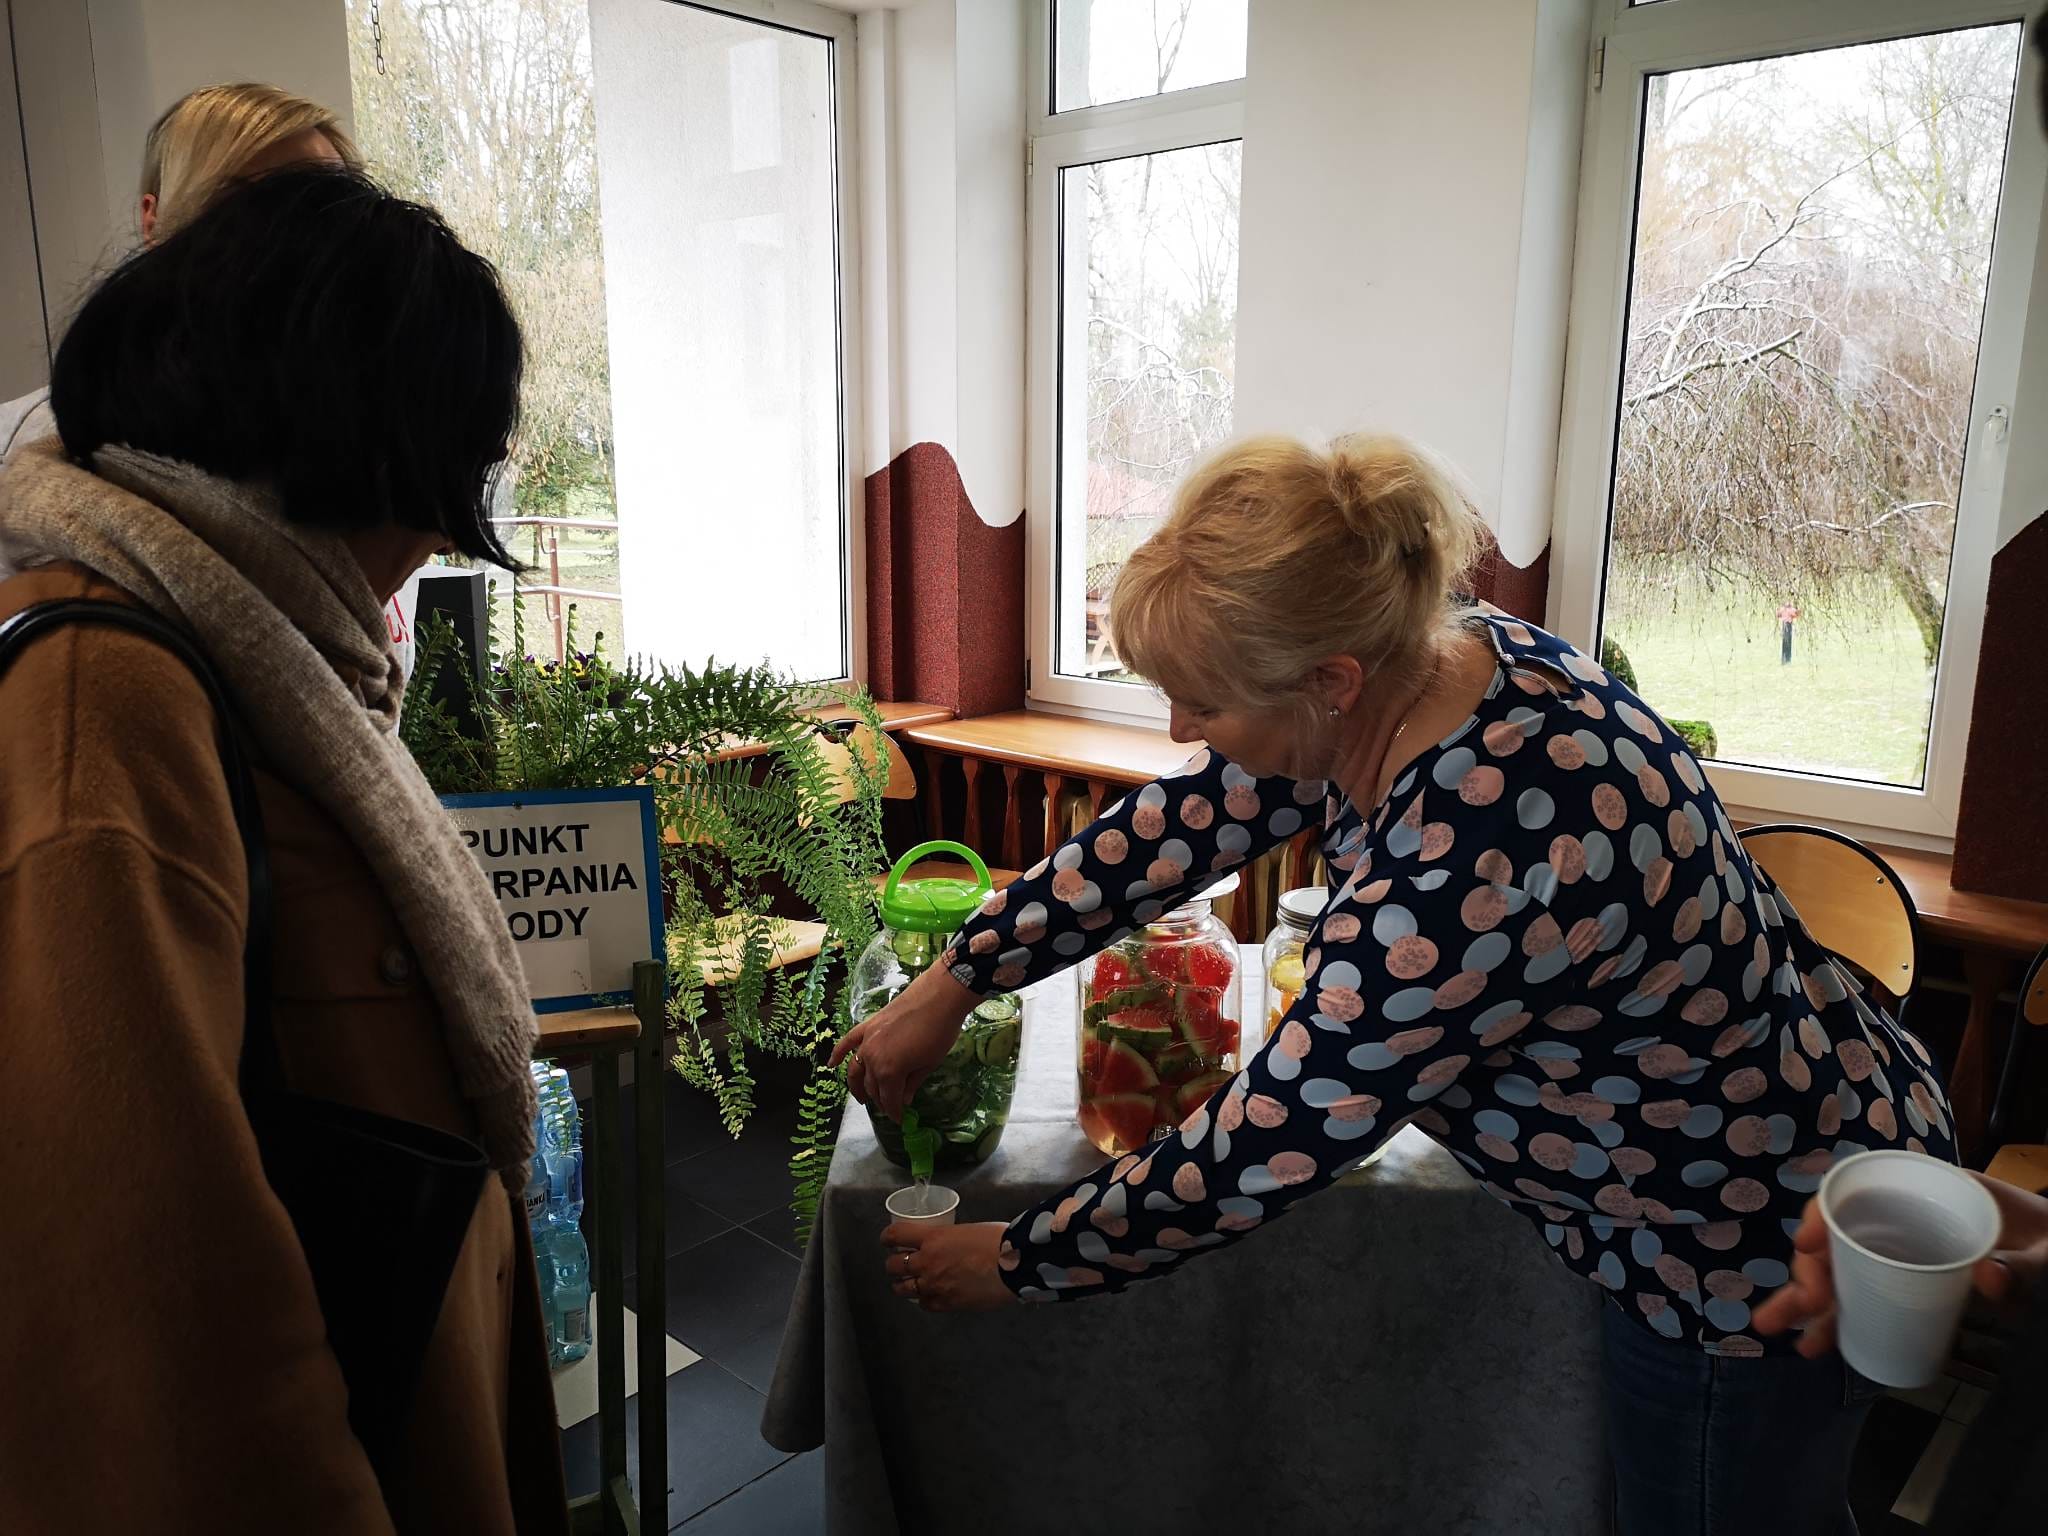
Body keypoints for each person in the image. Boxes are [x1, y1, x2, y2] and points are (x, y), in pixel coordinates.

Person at [836, 433, 1959, 1535]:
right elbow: (1174, 827)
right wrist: (957, 976)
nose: (1182, 730)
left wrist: (1019, 1259)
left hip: (1753, 1244)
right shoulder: (1443, 661)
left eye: (1202, 704)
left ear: (1329, 682)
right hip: (1815, 1125)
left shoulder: (1467, 871)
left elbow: (1262, 1141)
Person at [0, 167, 564, 1533]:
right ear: (353, 441)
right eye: (450, 471)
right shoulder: (105, 711)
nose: (439, 531)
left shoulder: (258, 658)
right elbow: (152, 1344)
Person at [1, 81, 356, 456]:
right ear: (153, 222)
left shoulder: (374, 422)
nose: (293, 239)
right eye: (238, 206)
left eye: (326, 207)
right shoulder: (25, 446)